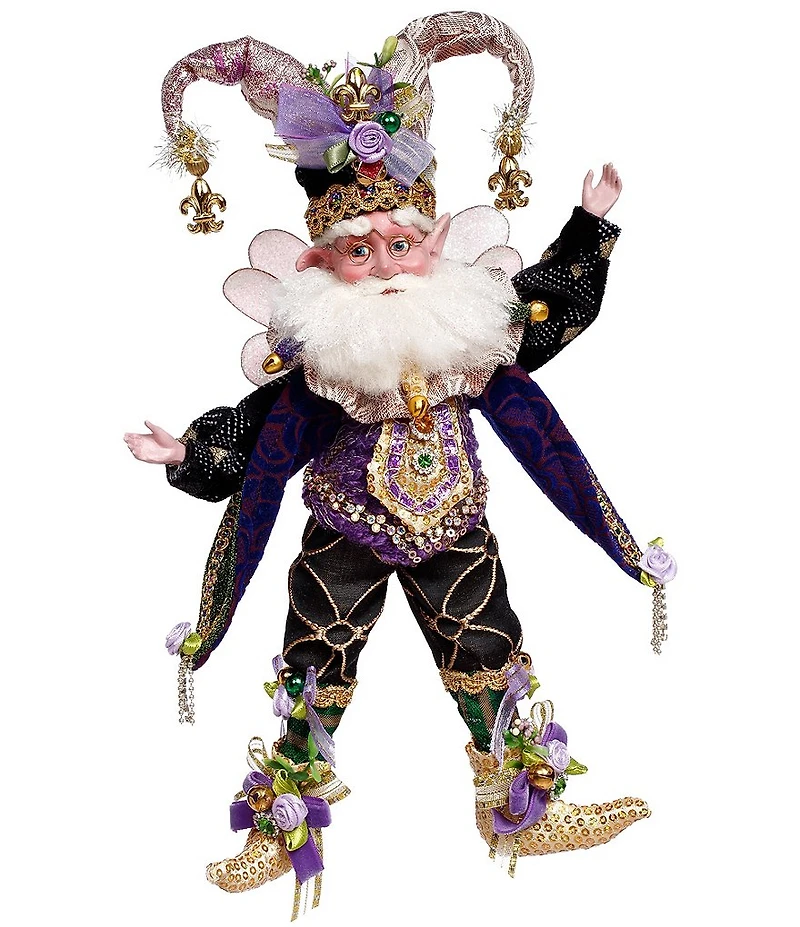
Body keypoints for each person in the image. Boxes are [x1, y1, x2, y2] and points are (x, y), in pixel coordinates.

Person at [125, 12, 674, 906]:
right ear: (321, 259)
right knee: (314, 664)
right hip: (342, 530)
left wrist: (589, 226)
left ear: (434, 240)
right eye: (358, 250)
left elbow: (549, 315)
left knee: (489, 647)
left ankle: (518, 809)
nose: (384, 264)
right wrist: (190, 450)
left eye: (402, 244)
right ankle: (284, 829)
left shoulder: (469, 332)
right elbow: (260, 432)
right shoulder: (324, 358)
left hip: (454, 520)